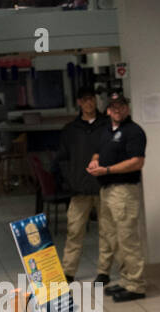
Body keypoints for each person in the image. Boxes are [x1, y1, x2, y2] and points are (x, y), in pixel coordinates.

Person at [89, 92, 147, 301]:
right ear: (107, 110)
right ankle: (125, 280)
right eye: (113, 106)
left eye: (121, 106)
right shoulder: (106, 130)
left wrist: (107, 170)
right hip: (107, 190)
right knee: (113, 238)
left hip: (124, 190)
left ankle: (136, 285)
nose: (117, 109)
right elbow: (98, 152)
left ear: (127, 108)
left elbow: (137, 162)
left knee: (127, 238)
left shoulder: (134, 131)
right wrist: (96, 162)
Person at [53, 86, 110, 282]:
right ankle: (68, 271)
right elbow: (62, 159)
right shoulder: (70, 130)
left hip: (104, 186)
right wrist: (71, 181)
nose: (88, 103)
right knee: (74, 230)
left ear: (95, 101)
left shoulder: (106, 125)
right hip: (79, 189)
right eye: (84, 100)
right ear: (79, 102)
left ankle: (104, 271)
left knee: (107, 230)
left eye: (91, 99)